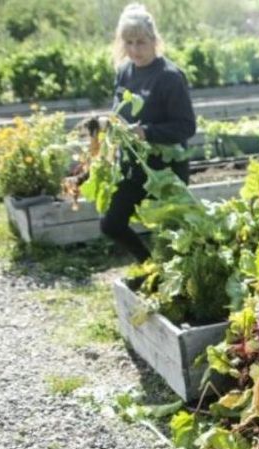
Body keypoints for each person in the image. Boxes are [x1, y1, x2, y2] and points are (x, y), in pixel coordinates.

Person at [101, 3, 196, 262]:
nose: (134, 50)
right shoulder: (124, 72)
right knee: (111, 224)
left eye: (140, 42)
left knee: (170, 238)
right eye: (128, 42)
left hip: (165, 171)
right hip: (133, 168)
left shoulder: (170, 77)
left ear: (154, 40)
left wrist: (147, 132)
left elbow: (186, 127)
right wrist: (109, 125)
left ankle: (167, 278)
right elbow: (118, 110)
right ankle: (147, 263)